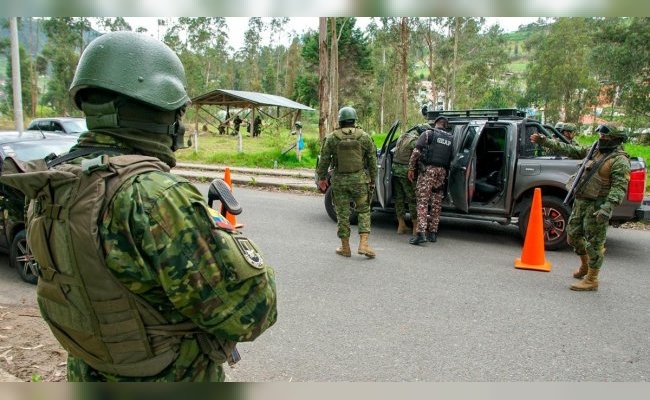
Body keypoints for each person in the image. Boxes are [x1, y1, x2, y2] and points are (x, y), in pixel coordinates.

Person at [0, 31, 277, 381]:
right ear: (163, 112)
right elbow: (254, 311)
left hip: (91, 368)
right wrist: (229, 242)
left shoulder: (55, 181)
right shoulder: (156, 197)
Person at [531, 123, 630, 291]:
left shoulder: (619, 161)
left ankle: (592, 279)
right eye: (601, 135)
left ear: (616, 139)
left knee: (594, 243)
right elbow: (568, 149)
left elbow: (619, 188)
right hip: (581, 201)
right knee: (572, 236)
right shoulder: (595, 151)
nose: (601, 138)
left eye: (605, 136)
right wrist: (544, 141)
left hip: (598, 206)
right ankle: (585, 265)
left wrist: (607, 208)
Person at [315, 106, 378, 258]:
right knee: (363, 211)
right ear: (354, 120)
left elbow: (324, 161)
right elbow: (372, 161)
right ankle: (363, 244)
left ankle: (345, 248)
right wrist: (372, 180)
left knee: (342, 214)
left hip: (339, 181)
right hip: (359, 181)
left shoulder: (332, 138)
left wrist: (322, 179)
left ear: (340, 121)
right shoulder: (364, 137)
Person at [407, 116, 454, 245]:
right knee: (436, 202)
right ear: (446, 125)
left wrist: (411, 168)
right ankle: (433, 233)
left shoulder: (428, 133)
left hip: (428, 171)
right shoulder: (451, 138)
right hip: (442, 173)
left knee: (422, 201)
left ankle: (421, 233)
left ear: (435, 123)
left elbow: (416, 152)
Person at [391, 127, 419, 235]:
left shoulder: (402, 137)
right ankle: (415, 227)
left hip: (395, 170)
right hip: (405, 172)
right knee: (412, 198)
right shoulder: (414, 141)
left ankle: (401, 225)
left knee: (399, 198)